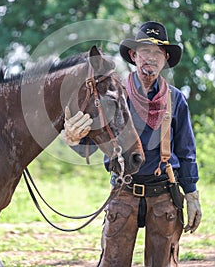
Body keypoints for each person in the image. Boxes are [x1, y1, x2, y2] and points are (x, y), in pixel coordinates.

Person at [62, 21, 202, 267]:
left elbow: (186, 151)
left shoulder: (176, 99)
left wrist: (191, 194)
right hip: (123, 192)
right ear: (134, 56)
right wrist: (73, 138)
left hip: (164, 194)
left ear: (165, 59)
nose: (151, 58)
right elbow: (90, 141)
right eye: (145, 51)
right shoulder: (113, 95)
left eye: (157, 53)